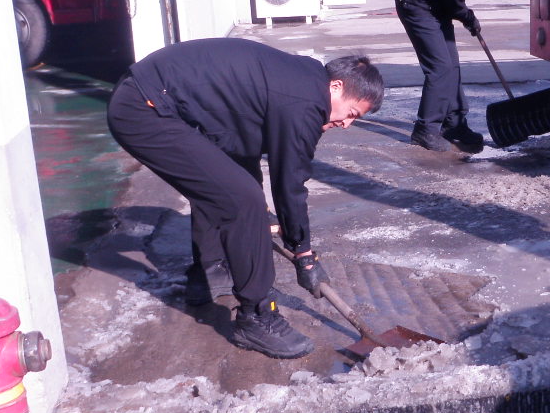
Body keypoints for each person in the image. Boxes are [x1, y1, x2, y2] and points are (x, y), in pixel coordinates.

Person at [106, 38, 384, 358]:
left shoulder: (300, 80)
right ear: (336, 86)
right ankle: (257, 316)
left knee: (229, 181)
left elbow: (236, 146)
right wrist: (303, 252)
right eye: (351, 113)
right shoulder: (304, 101)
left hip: (149, 98)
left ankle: (211, 271)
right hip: (144, 109)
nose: (346, 124)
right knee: (244, 201)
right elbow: (290, 183)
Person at [394, 0, 514, 153]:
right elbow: (455, 7)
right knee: (440, 68)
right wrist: (470, 19)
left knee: (452, 65)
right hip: (415, 3)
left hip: (437, 4)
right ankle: (425, 129)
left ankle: (455, 124)